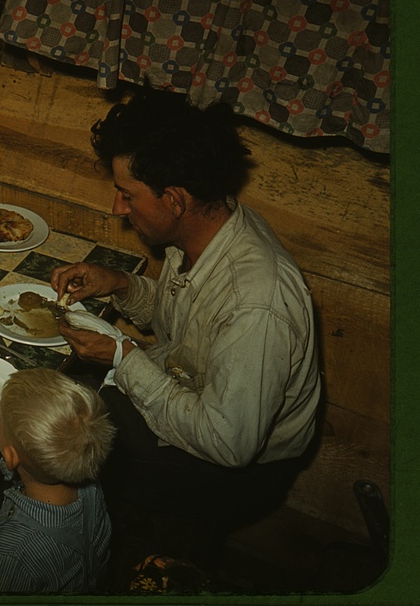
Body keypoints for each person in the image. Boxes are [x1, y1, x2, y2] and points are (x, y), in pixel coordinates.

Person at [50, 89, 321, 521]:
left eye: (127, 194)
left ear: (174, 200)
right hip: (191, 395)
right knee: (57, 386)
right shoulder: (209, 226)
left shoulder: (257, 302)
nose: (117, 207)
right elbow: (191, 322)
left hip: (231, 471)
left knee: (52, 437)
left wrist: (125, 356)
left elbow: (228, 444)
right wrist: (120, 285)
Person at [0, 369, 115, 594]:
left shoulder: (15, 551)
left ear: (11, 456)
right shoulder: (89, 483)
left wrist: (10, 436)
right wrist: (11, 431)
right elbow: (29, 466)